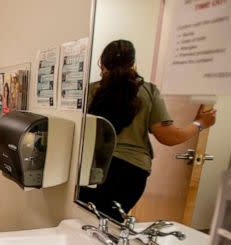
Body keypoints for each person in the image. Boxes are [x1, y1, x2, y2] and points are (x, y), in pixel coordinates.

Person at [80, 39, 216, 221]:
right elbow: (169, 137)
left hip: (95, 167)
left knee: (85, 219)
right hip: (131, 172)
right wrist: (200, 123)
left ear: (102, 64)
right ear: (133, 64)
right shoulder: (148, 91)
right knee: (111, 223)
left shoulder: (89, 91)